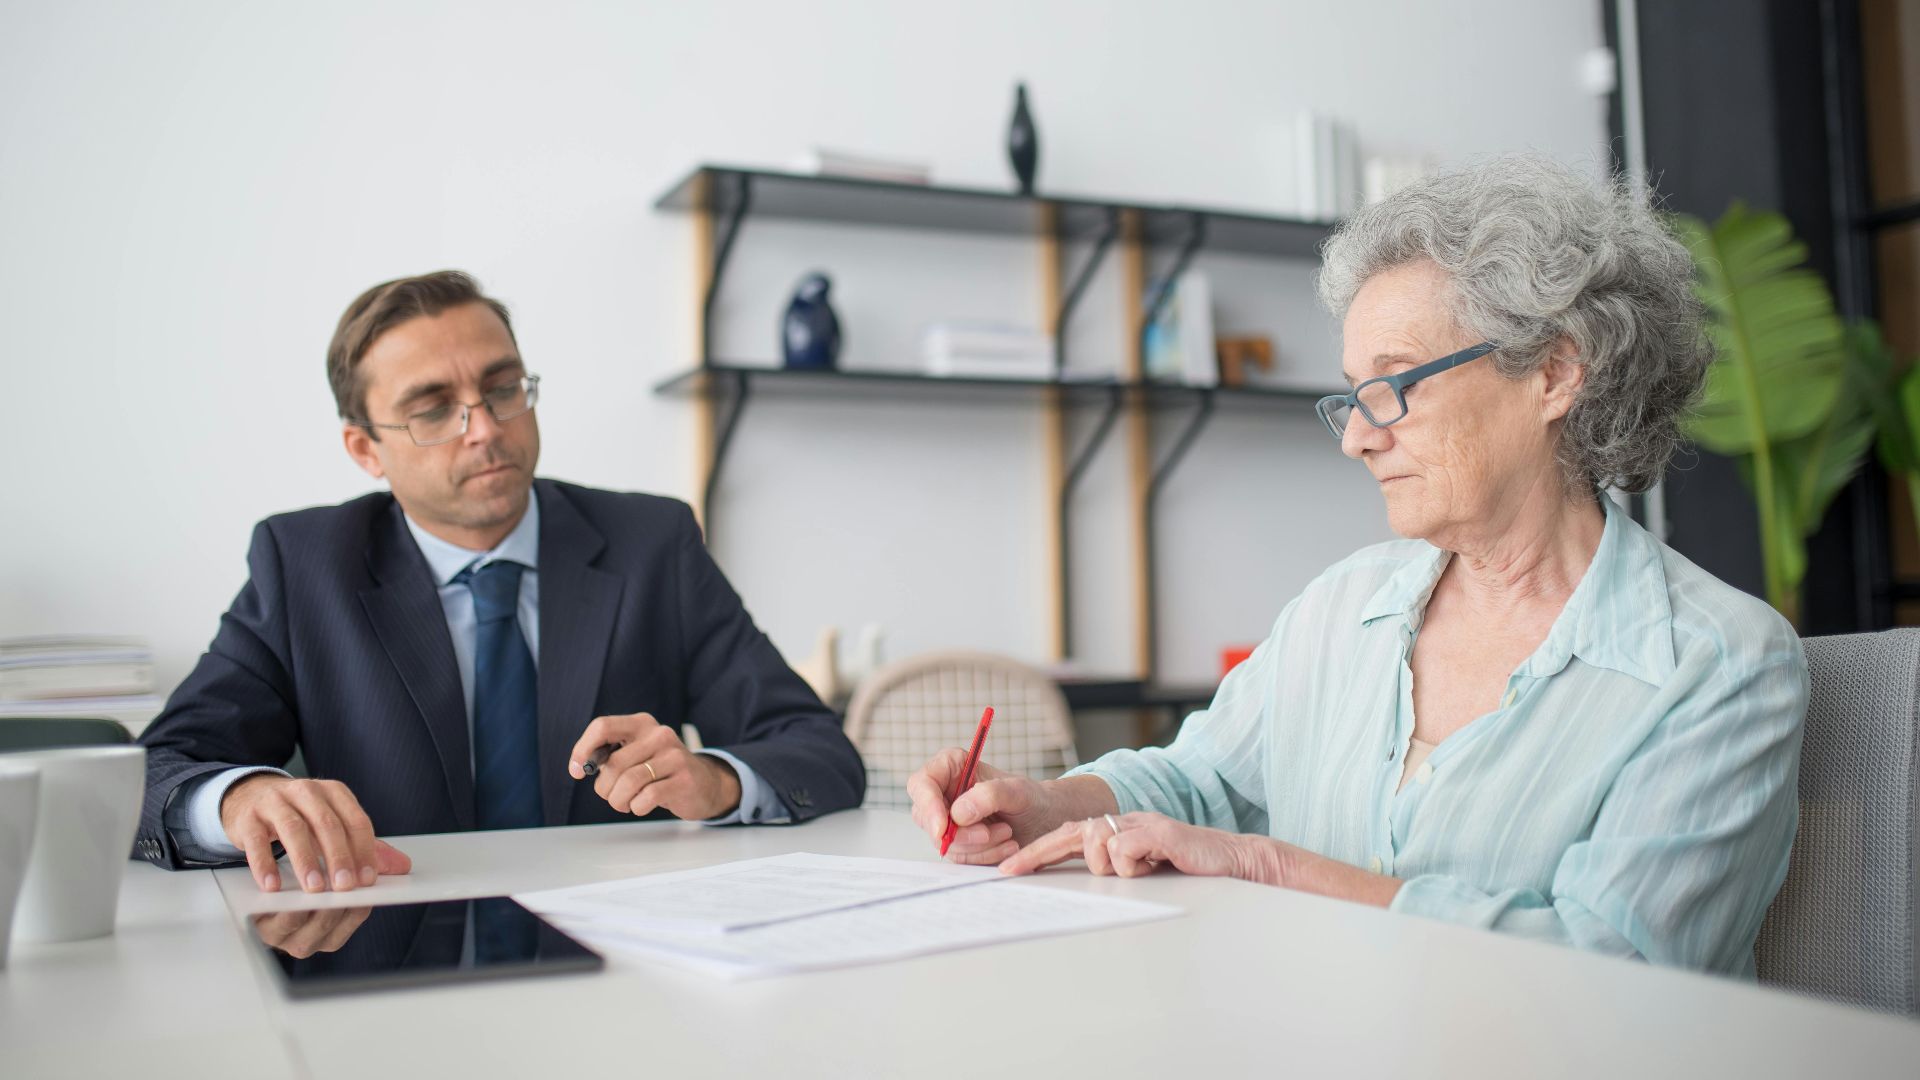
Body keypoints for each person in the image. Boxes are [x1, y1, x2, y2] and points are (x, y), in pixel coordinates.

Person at [908, 156, 1807, 976]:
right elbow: (1200, 778)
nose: (1358, 438)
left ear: (1555, 373)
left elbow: (1615, 961)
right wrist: (1045, 805)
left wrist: (1270, 866)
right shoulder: (1347, 605)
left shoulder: (1719, 663)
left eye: (1395, 384)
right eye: (1350, 397)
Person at [135, 271, 864, 892]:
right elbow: (156, 771)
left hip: (625, 958)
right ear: (365, 450)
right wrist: (241, 797)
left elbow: (818, 750)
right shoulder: (305, 565)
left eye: (503, 388)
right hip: (384, 954)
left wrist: (714, 782)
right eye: (433, 411)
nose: (484, 428)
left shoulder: (652, 545)